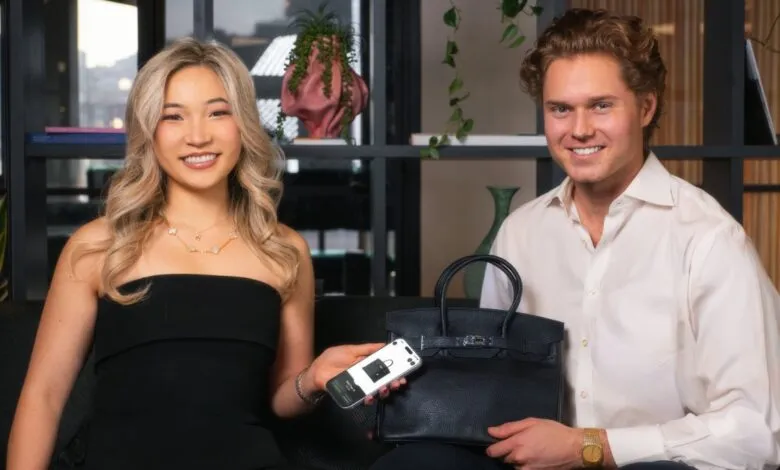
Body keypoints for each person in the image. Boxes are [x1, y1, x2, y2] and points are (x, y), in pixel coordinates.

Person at [370, 8, 780, 470]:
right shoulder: (521, 231)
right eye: (560, 109)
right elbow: (491, 381)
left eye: (601, 105)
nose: (579, 129)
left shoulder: (710, 240)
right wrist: (420, 398)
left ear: (645, 107)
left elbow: (753, 433)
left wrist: (589, 447)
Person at [6, 37, 402, 470]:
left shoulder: (283, 250)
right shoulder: (98, 245)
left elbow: (281, 400)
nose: (198, 136)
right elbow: (42, 397)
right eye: (173, 116)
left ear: (243, 124)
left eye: (218, 112)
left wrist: (314, 377)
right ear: (149, 130)